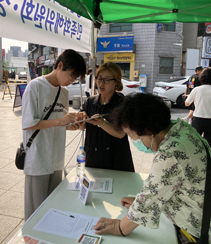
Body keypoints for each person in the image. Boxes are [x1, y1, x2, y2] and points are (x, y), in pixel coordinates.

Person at [94, 93, 211, 243]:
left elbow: (147, 202)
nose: (134, 140)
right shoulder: (182, 129)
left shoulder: (170, 153)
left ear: (148, 131)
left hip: (193, 230)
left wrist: (119, 227)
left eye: (132, 135)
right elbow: (165, 186)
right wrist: (140, 200)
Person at [22, 49, 86, 221]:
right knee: (36, 213)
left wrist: (74, 125)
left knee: (53, 209)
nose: (71, 81)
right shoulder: (35, 86)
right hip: (38, 159)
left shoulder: (63, 93)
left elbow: (59, 124)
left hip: (57, 158)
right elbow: (28, 123)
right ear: (59, 66)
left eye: (75, 79)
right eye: (71, 76)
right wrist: (60, 121)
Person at [77, 62, 134, 172]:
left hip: (116, 161)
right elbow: (81, 127)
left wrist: (102, 122)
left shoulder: (122, 103)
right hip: (93, 159)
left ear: (116, 82)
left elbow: (121, 133)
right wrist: (80, 120)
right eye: (99, 78)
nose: (101, 83)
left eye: (107, 80)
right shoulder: (90, 101)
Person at [185, 67, 211, 146]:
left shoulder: (197, 89)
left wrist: (189, 97)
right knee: (209, 144)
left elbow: (187, 103)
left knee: (195, 142)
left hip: (198, 119)